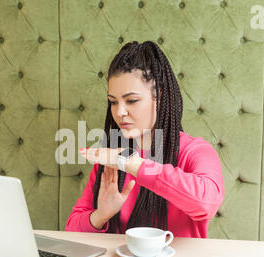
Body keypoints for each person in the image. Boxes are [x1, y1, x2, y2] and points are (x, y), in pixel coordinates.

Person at [65, 41, 224, 238]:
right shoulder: (112, 157)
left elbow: (206, 202)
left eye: (131, 100)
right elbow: (72, 229)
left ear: (160, 97)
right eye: (113, 102)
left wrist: (131, 163)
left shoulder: (195, 151)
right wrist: (100, 215)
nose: (119, 112)